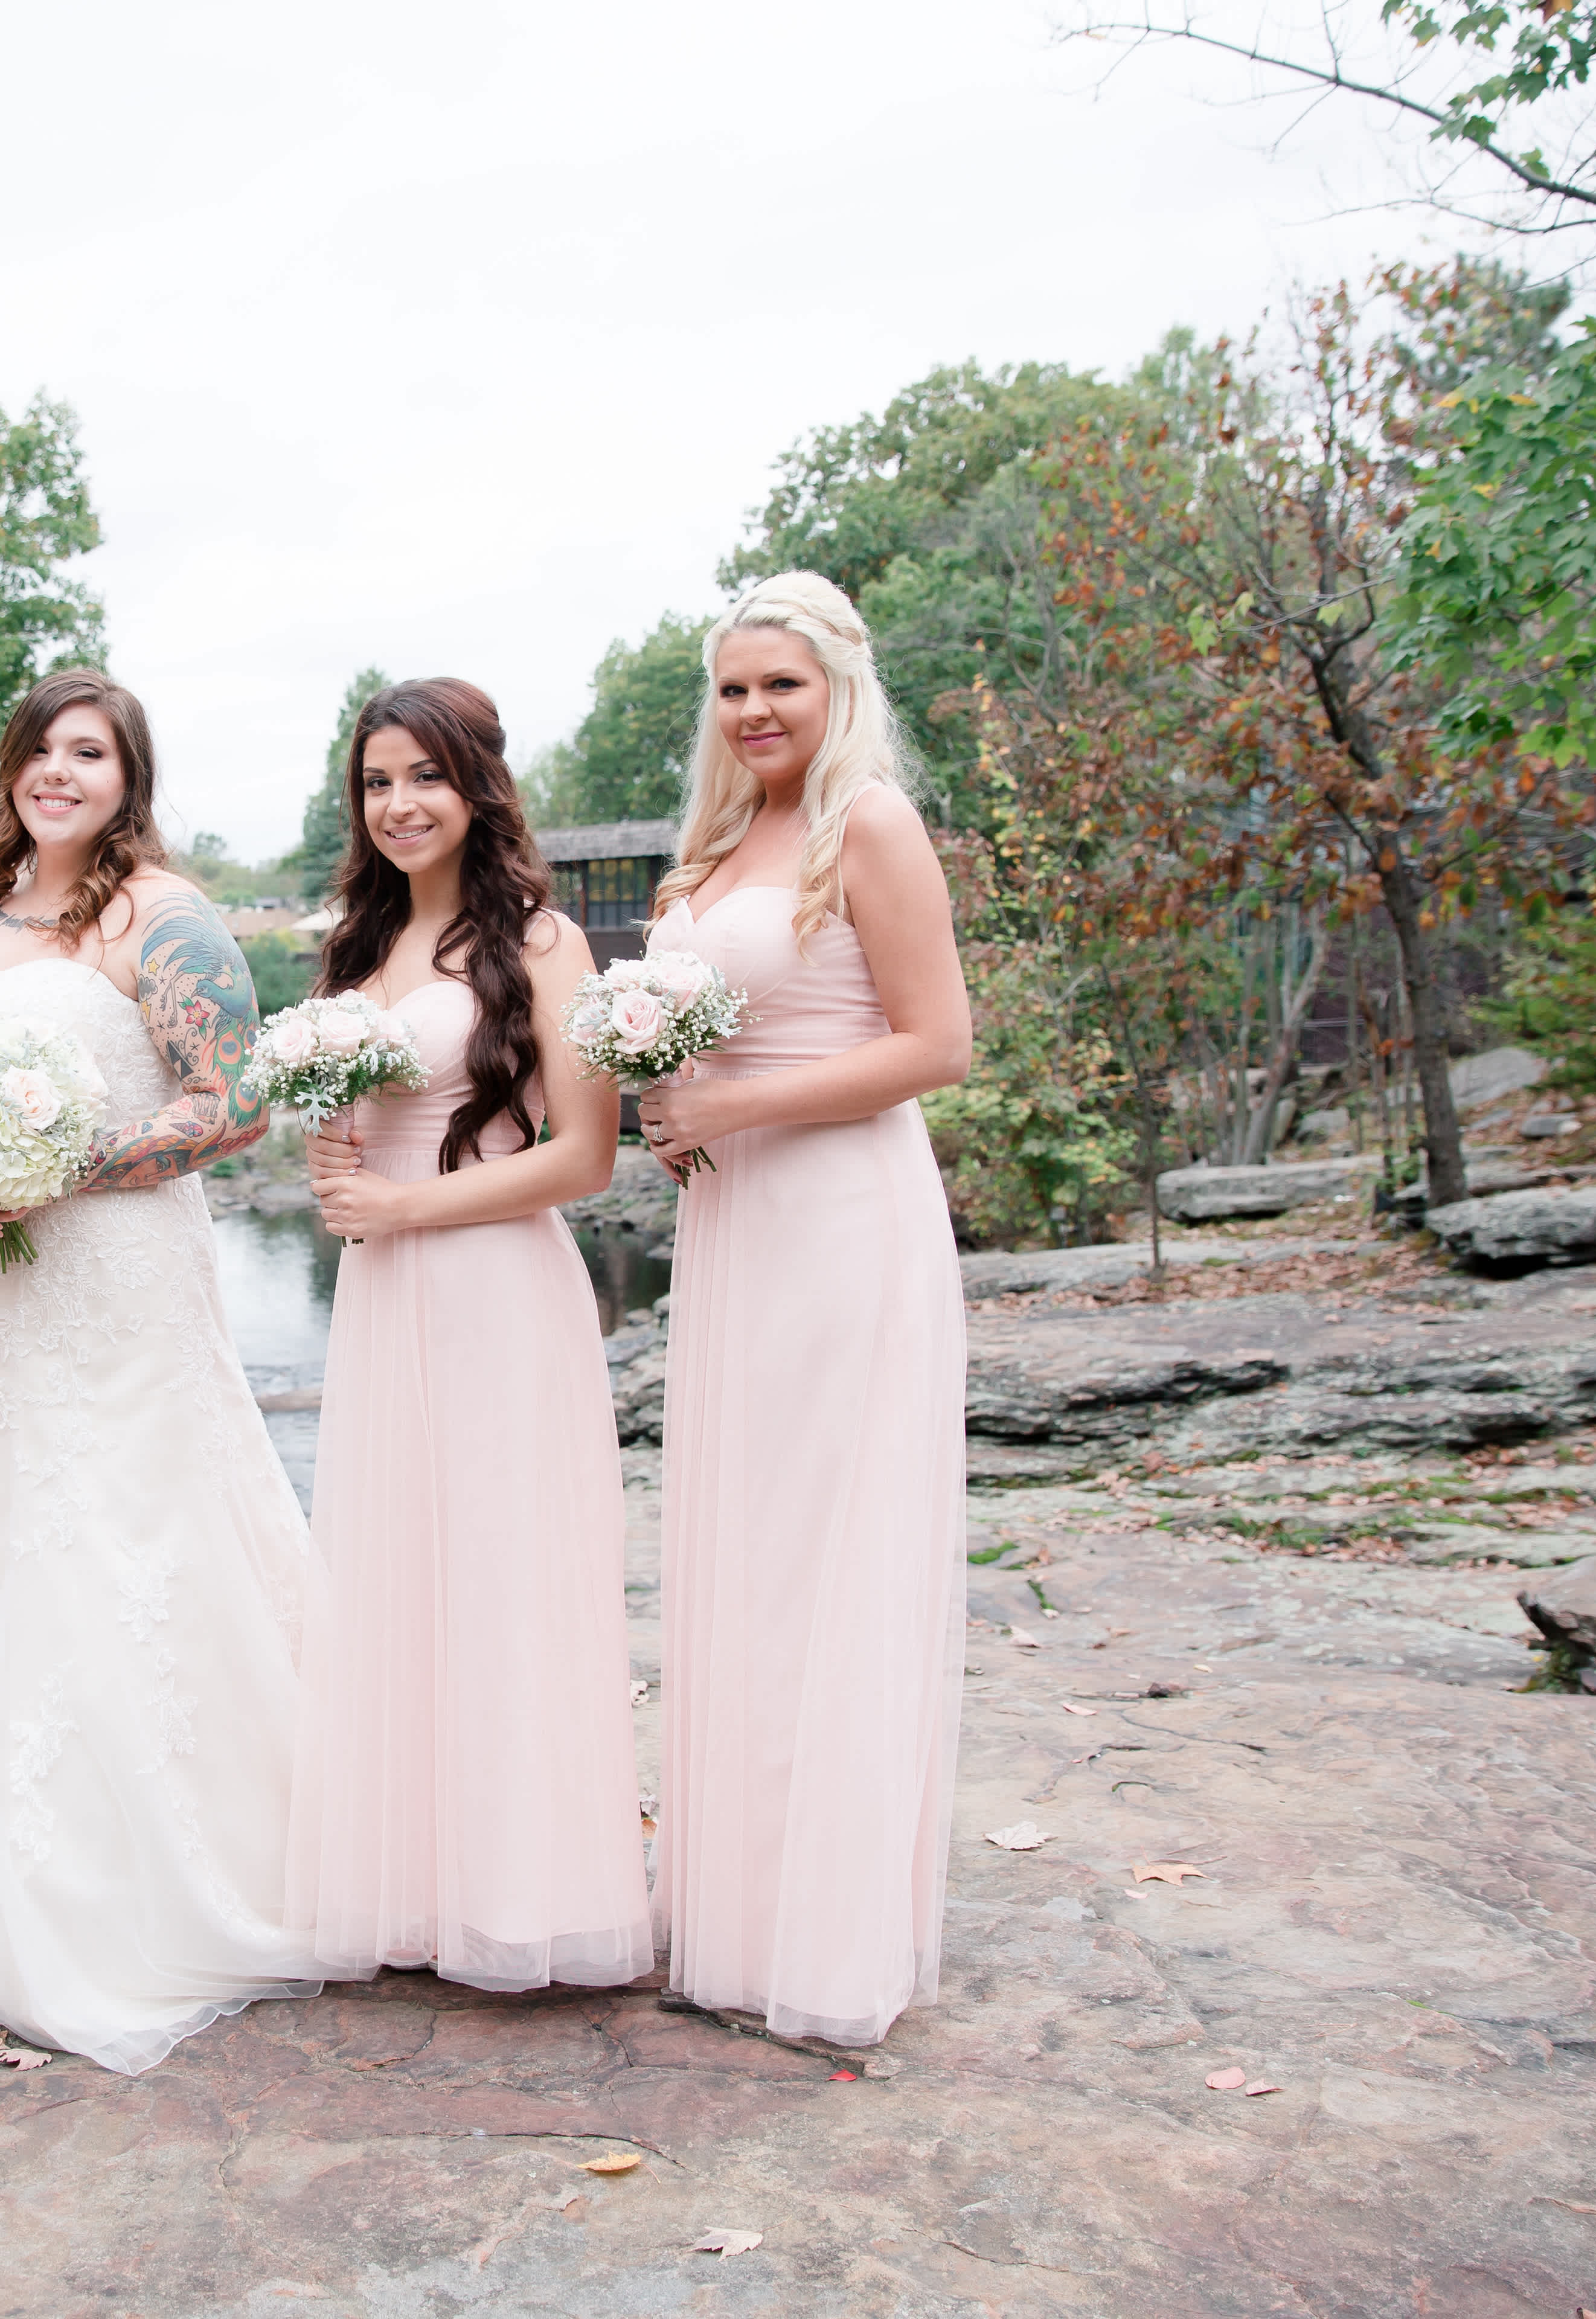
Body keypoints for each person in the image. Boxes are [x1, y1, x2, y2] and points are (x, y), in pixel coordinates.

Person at [0, 667, 321, 2074]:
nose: (59, 771)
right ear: (11, 769)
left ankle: (138, 1888)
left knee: (117, 1537)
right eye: (40, 748)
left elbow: (233, 1103)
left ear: (127, 778)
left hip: (112, 1274)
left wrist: (59, 1162)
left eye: (89, 752)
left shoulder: (164, 914)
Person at [632, 572, 972, 2048]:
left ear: (839, 689)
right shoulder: (714, 849)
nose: (756, 710)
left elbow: (939, 1043)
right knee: (746, 1551)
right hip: (734, 1226)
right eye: (733, 688)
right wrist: (669, 1100)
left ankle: (831, 1937)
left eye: (783, 684)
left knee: (833, 1549)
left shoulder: (869, 825)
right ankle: (739, 1911)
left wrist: (737, 1103)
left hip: (843, 1220)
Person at [290, 678, 653, 1993]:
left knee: (505, 1577)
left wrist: (404, 1204)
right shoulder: (358, 949)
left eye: (425, 776)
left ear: (478, 784)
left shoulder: (542, 944)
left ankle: (524, 1898)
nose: (399, 804)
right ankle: (416, 1890)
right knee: (399, 1575)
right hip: (386, 1300)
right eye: (377, 782)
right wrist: (334, 1159)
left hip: (498, 1290)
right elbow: (355, 1129)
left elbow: (587, 1157)